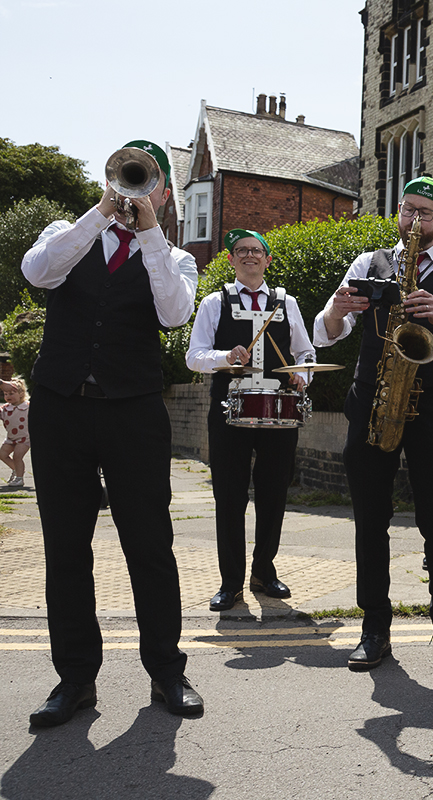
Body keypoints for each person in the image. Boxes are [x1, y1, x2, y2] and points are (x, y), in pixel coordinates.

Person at [21, 139, 202, 726]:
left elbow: (174, 314)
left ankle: (166, 672)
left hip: (133, 411)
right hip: (61, 407)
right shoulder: (67, 232)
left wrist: (148, 233)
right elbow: (37, 272)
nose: (134, 189)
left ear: (165, 193)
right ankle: (75, 679)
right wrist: (100, 212)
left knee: (149, 544)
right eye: (128, 175)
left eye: (146, 180)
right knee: (66, 548)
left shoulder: (175, 257)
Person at [315, 177, 433, 673]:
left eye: (426, 213)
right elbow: (328, 335)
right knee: (370, 519)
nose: (414, 220)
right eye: (408, 210)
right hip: (373, 399)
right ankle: (374, 628)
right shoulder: (370, 263)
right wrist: (335, 311)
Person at [186, 229, 316, 612]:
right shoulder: (214, 302)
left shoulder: (286, 302)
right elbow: (194, 356)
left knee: (274, 494)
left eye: (256, 251)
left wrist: (301, 375)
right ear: (231, 260)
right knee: (229, 497)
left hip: (279, 411)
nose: (248, 256)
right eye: (240, 251)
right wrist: (226, 357)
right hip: (229, 412)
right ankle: (230, 582)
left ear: (267, 260)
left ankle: (264, 571)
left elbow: (305, 353)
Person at [0, 377, 30, 487]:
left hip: (24, 438)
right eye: (5, 394)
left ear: (21, 393)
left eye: (11, 393)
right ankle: (16, 469)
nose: (7, 396)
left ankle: (19, 478)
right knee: (2, 454)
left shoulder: (27, 407)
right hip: (11, 438)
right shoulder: (4, 409)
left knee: (17, 456)